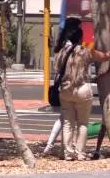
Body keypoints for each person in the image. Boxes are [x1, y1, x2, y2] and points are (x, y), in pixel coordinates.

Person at [55, 27, 110, 161]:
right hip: (82, 89)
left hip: (65, 89)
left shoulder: (62, 52)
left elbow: (57, 68)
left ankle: (67, 153)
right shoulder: (84, 51)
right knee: (83, 123)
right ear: (80, 38)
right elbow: (104, 57)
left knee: (68, 123)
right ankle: (80, 153)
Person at [43, 17, 82, 155]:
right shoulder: (75, 49)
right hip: (71, 85)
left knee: (64, 117)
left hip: (60, 84)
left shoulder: (61, 46)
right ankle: (62, 147)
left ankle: (54, 146)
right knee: (70, 119)